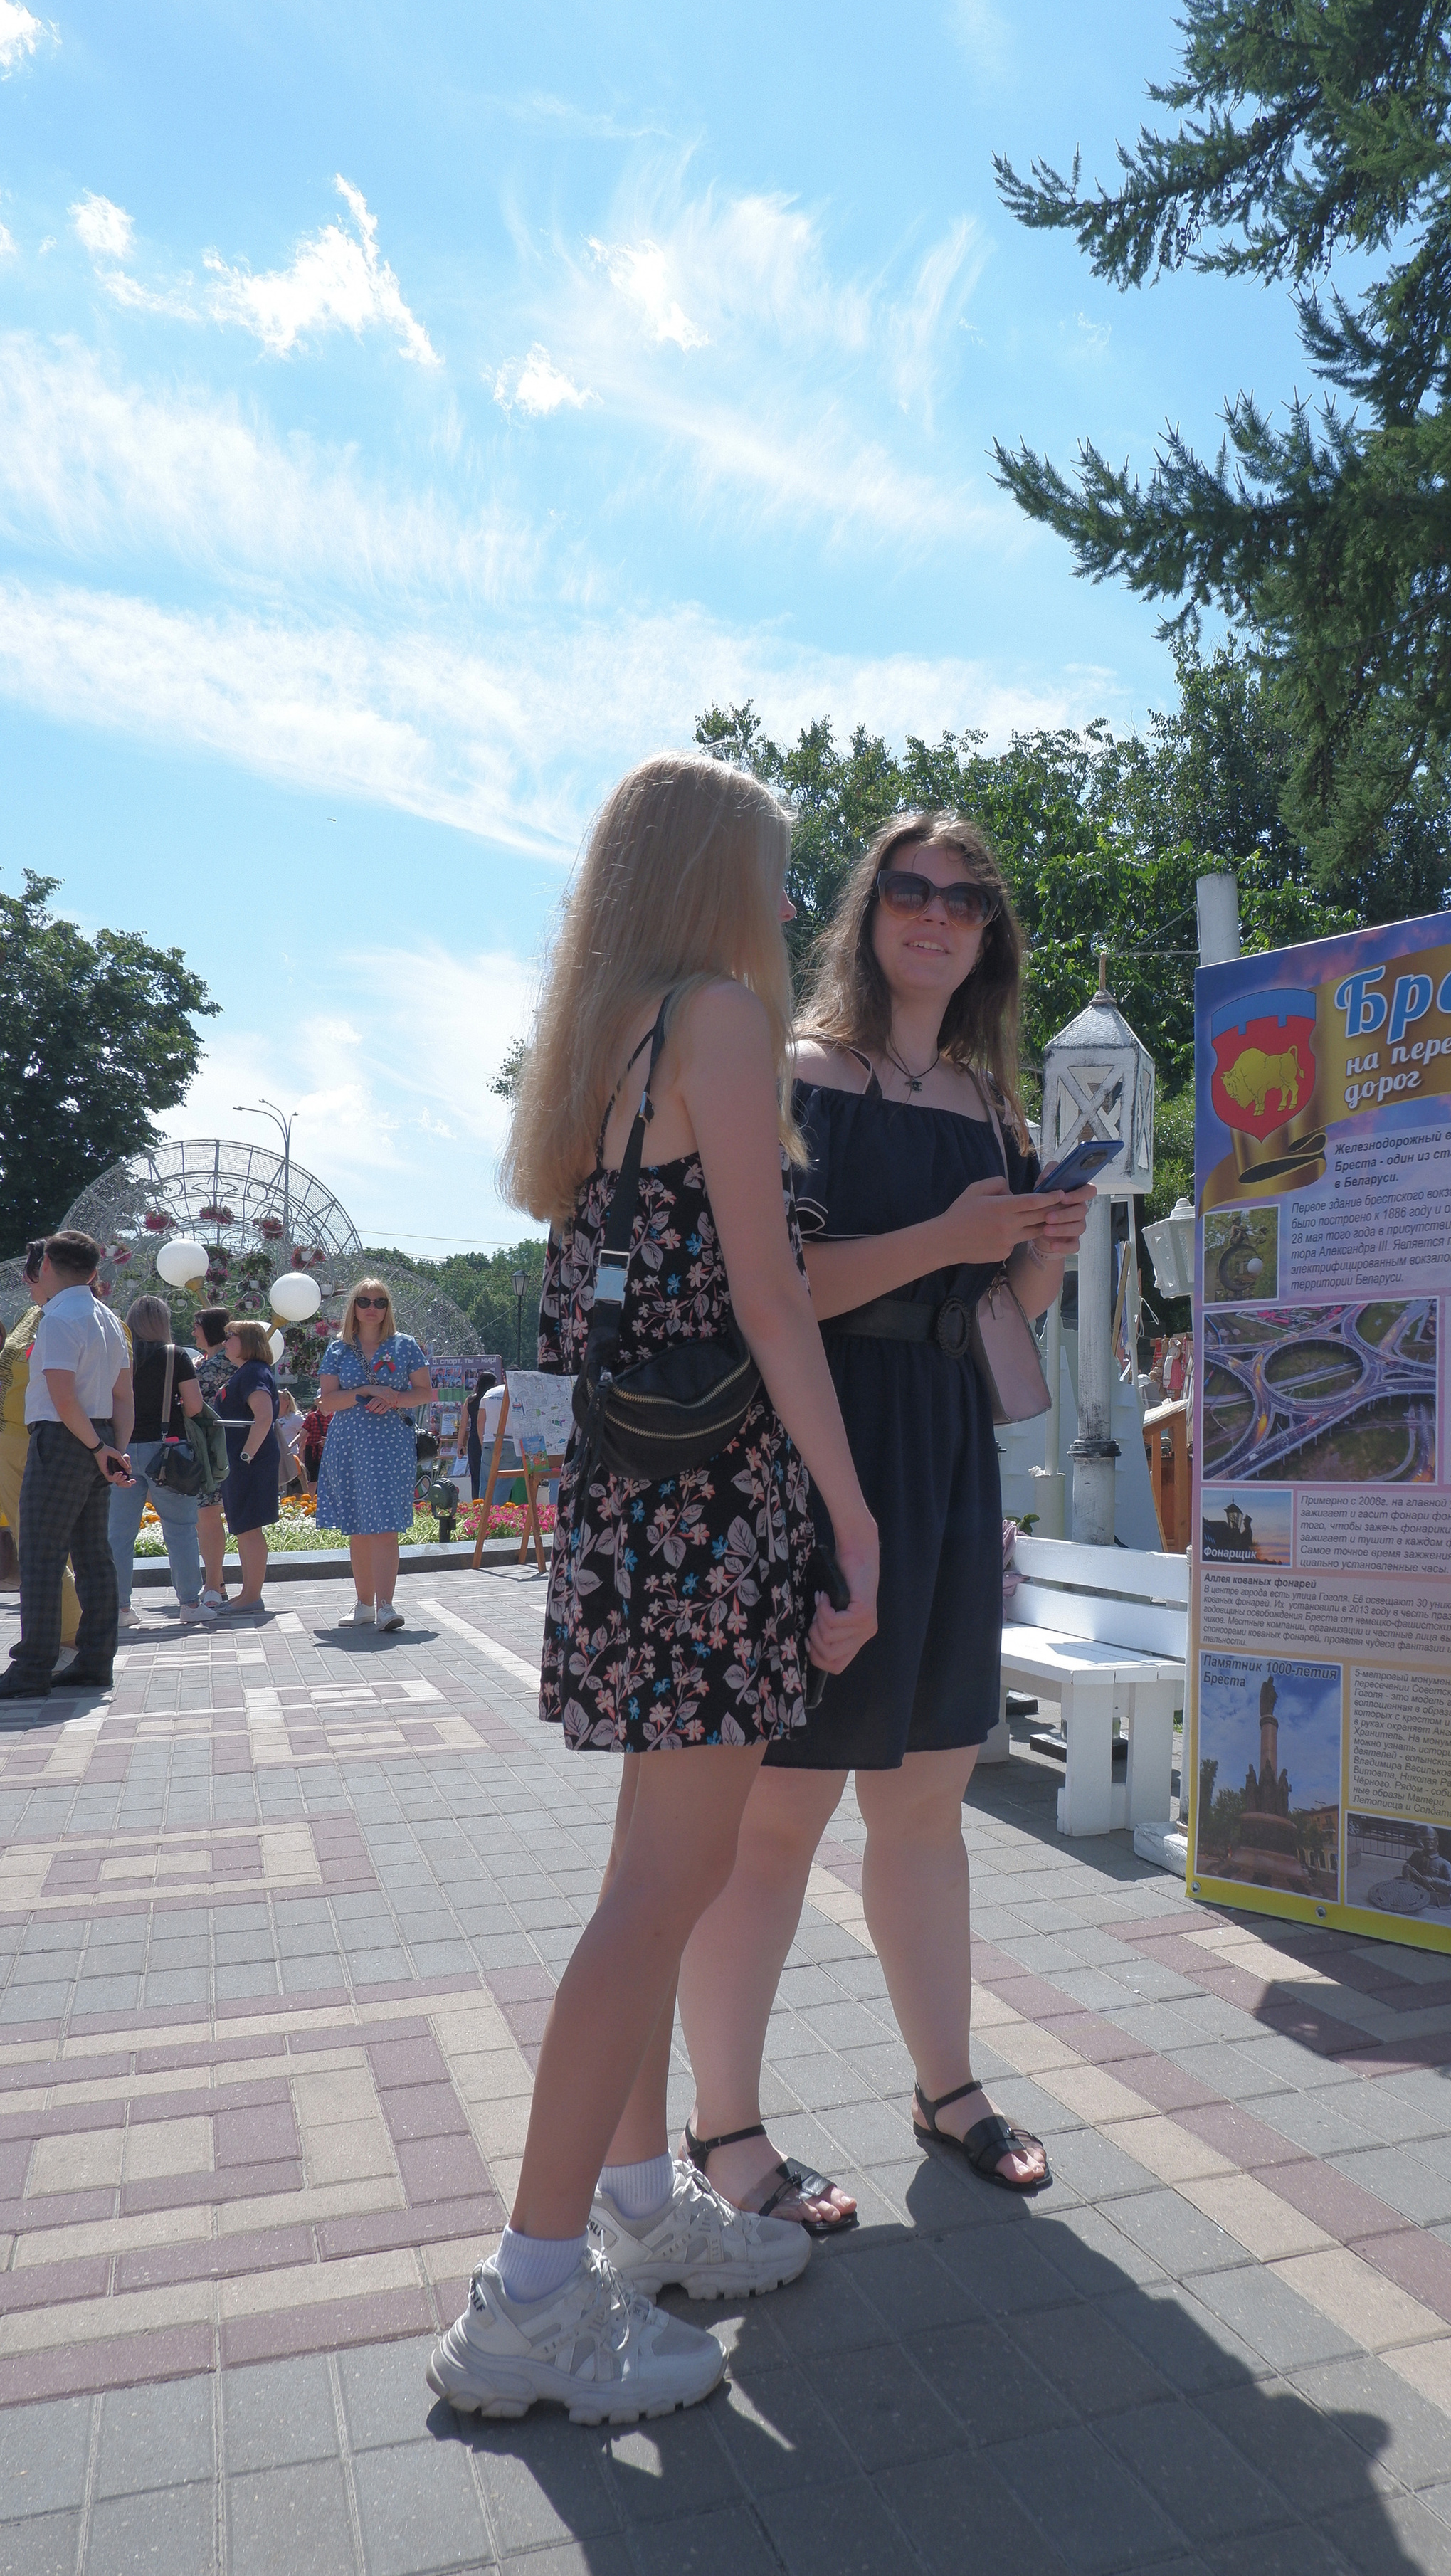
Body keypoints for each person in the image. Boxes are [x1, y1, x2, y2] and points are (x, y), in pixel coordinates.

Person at [427, 750, 878, 2427]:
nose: (785, 899)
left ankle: (627, 2210)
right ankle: (526, 2294)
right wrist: (858, 1519)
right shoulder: (718, 1018)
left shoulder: (587, 1049)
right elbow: (773, 1298)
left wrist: (535, 1485)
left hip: (633, 1509)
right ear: (705, 876)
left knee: (649, 1879)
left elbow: (571, 1312)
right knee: (652, 1895)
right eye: (769, 866)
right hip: (716, 1508)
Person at [670, 813, 1090, 2229]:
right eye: (908, 890)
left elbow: (984, 1320)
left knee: (925, 1808)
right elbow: (770, 1294)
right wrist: (950, 1239)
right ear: (867, 911)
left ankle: (944, 2088)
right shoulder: (798, 1075)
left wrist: (1031, 1258)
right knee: (774, 1817)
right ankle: (722, 2127)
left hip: (942, 1455)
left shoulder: (988, 1105)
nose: (934, 915)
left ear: (988, 934)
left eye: (965, 900)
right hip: (810, 1459)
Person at [0, 1230, 134, 1699]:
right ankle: (95, 1662)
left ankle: (31, 1667)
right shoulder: (109, 1318)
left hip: (63, 1438)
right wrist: (114, 1447)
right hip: (99, 1436)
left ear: (51, 1264)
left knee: (40, 1553)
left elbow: (61, 1396)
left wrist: (98, 1448)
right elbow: (123, 1396)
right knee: (93, 1553)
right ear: (94, 1270)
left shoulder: (56, 1319)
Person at [314, 1280, 432, 1630]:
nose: (372, 1307)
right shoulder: (338, 1349)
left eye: (380, 1302)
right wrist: (366, 1390)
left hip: (390, 1445)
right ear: (353, 1307)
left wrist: (393, 1397)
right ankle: (364, 1604)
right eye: (364, 1301)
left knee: (385, 1526)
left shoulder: (405, 1345)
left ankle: (386, 1606)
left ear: (387, 1308)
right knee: (358, 1528)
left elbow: (424, 1392)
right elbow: (326, 1402)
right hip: (348, 1444)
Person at [0, 1244, 83, 1652]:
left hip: (38, 1440)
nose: (25, 1281)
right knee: (32, 1544)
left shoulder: (67, 1319)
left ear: (47, 1272)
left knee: (43, 1545)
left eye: (32, 1272)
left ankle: (64, 1639)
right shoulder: (35, 1315)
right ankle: (53, 1637)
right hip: (14, 1443)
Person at [107, 1295, 208, 1628]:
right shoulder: (174, 1355)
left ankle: (120, 1608)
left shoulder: (117, 1353)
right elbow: (194, 1406)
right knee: (179, 1530)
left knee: (118, 1534)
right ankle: (190, 1604)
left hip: (120, 1449)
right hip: (167, 1451)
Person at [217, 1319, 281, 1615]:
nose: (225, 1339)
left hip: (249, 1461)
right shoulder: (248, 1372)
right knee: (245, 1527)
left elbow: (263, 1416)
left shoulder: (254, 1372)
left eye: (231, 1335)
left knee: (248, 1528)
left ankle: (251, 1595)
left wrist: (246, 1455)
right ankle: (248, 1594)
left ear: (249, 1341)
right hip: (244, 1460)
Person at [190, 1307, 235, 1610]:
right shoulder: (206, 1361)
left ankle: (214, 1584)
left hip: (214, 1447)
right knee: (204, 1517)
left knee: (207, 1515)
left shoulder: (219, 1363)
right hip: (205, 1446)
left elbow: (194, 1399)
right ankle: (216, 1582)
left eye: (196, 1327)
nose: (193, 1333)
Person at [465, 1368, 497, 1499]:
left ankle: (476, 1501)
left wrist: (461, 1443)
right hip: (489, 1437)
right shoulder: (491, 1399)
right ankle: (491, 1501)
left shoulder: (471, 1400)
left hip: (473, 1439)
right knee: (491, 1473)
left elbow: (463, 1424)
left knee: (476, 1474)